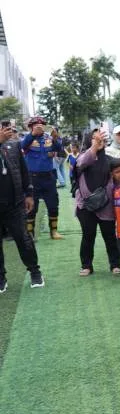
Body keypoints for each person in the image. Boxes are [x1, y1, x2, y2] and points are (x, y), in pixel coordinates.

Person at [0, 123, 45, 291]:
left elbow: (24, 171)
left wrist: (29, 194)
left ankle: (35, 272)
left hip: (15, 203)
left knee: (23, 239)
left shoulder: (13, 145)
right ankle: (1, 278)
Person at [75, 130, 120, 276]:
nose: (98, 140)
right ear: (89, 140)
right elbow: (83, 163)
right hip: (86, 205)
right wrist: (94, 147)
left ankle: (115, 265)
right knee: (88, 236)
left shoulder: (109, 160)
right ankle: (86, 266)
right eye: (94, 138)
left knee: (110, 236)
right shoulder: (82, 157)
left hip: (106, 205)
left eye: (100, 138)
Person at [20, 116, 65, 240]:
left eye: (42, 125)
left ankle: (54, 231)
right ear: (31, 127)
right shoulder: (27, 138)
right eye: (36, 125)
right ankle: (30, 234)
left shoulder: (49, 138)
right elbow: (22, 146)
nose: (40, 126)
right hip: (32, 178)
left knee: (53, 205)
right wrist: (33, 134)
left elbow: (60, 150)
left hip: (48, 177)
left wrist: (55, 138)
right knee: (31, 207)